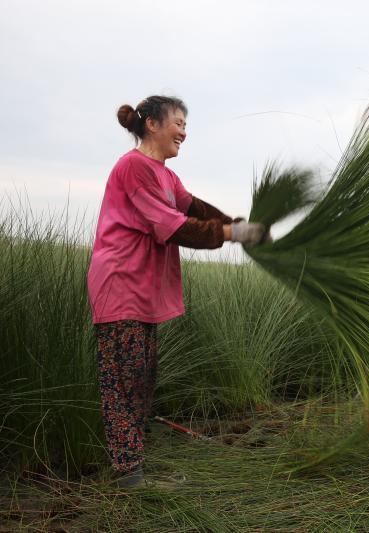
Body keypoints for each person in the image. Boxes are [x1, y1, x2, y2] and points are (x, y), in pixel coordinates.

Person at [87, 95, 267, 487]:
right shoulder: (133, 167)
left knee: (142, 377)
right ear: (152, 123)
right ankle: (129, 478)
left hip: (142, 290)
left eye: (186, 124)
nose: (184, 131)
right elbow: (172, 225)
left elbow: (193, 208)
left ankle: (131, 467)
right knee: (125, 380)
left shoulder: (166, 176)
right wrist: (232, 233)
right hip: (121, 285)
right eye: (178, 122)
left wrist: (235, 225)